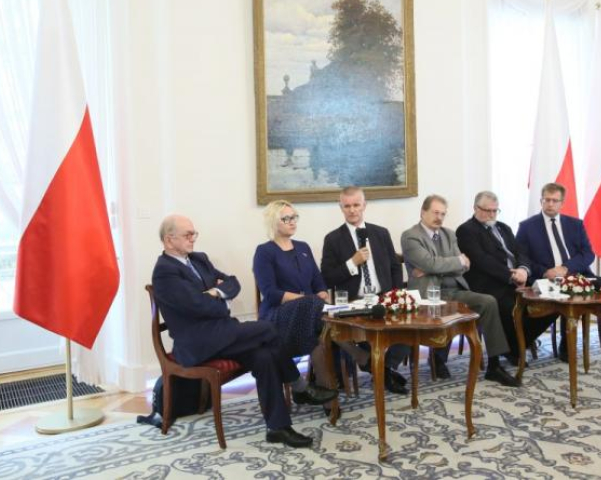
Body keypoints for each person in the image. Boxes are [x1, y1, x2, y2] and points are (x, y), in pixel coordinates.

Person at [151, 215, 337, 449]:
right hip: (197, 343)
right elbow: (196, 306)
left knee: (265, 356)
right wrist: (219, 298)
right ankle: (299, 386)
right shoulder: (165, 272)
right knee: (269, 328)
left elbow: (233, 283)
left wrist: (216, 292)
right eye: (188, 235)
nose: (193, 239)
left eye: (194, 233)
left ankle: (278, 427)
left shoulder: (199, 259)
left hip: (224, 332)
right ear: (169, 240)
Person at [515, 182, 601, 374]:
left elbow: (588, 254)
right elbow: (522, 258)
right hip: (548, 280)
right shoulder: (527, 227)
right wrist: (546, 272)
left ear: (562, 203)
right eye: (546, 200)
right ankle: (563, 347)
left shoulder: (575, 224)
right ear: (541, 201)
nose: (550, 204)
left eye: (554, 201)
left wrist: (566, 268)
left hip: (579, 275)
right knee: (560, 301)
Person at [253, 200, 371, 413]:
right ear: (273, 222)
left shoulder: (303, 247)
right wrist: (308, 300)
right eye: (286, 218)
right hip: (277, 317)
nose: (292, 222)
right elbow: (270, 293)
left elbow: (318, 281)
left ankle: (329, 402)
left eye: (294, 217)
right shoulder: (264, 252)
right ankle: (357, 353)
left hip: (309, 316)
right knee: (314, 306)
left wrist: (323, 293)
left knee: (319, 339)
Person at [401, 195, 520, 386]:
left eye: (443, 214)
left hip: (454, 290)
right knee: (447, 306)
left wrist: (439, 266)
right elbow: (431, 263)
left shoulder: (449, 234)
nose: (439, 217)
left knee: (489, 301)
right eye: (435, 213)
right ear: (423, 212)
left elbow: (465, 266)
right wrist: (450, 263)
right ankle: (438, 360)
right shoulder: (411, 235)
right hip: (428, 296)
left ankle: (494, 366)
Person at [320, 186, 411, 395]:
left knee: (410, 327)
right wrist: (352, 262)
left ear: (364, 205)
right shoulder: (333, 239)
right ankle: (381, 371)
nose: (352, 210)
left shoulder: (380, 233)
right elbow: (327, 277)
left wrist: (395, 294)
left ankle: (385, 367)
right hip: (353, 301)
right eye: (347, 206)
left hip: (383, 297)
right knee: (361, 333)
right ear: (341, 207)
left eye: (356, 205)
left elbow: (395, 267)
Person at [456, 191, 557, 365]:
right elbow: (482, 261)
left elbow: (521, 252)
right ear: (475, 208)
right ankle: (514, 350)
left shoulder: (504, 227)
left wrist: (524, 270)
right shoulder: (466, 230)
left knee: (552, 302)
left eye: (495, 211)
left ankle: (517, 344)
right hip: (489, 283)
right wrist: (511, 276)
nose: (492, 215)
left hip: (519, 278)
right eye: (487, 210)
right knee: (512, 305)